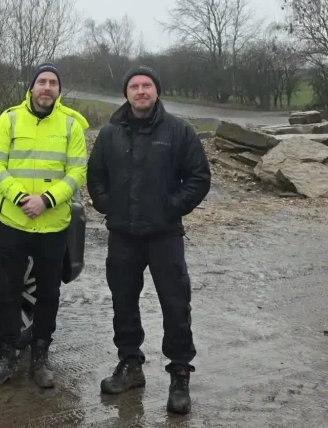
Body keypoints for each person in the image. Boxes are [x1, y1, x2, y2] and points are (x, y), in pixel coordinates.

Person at [87, 65, 211, 415]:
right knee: (123, 302)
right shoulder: (110, 132)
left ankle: (180, 373)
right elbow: (95, 175)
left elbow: (199, 177)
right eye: (134, 86)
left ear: (157, 91)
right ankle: (130, 364)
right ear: (126, 93)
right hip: (123, 235)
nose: (141, 91)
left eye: (147, 86)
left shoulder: (178, 131)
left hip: (164, 235)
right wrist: (109, 205)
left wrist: (171, 207)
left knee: (175, 305)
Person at [0, 62, 89, 390]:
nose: (47, 87)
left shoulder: (71, 125)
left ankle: (40, 357)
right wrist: (21, 197)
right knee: (8, 292)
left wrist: (47, 201)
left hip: (53, 225)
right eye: (42, 81)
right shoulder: (9, 119)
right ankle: (8, 357)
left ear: (58, 90)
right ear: (31, 87)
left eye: (53, 82)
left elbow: (77, 171)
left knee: (48, 293)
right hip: (13, 221)